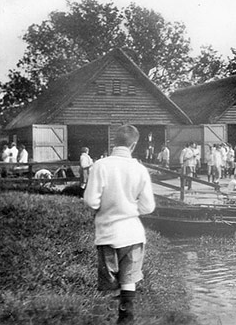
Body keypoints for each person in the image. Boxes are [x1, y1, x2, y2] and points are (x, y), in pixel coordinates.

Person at [83, 124, 156, 324]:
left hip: (107, 231)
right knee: (129, 277)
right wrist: (131, 210)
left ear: (114, 142)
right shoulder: (140, 169)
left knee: (109, 280)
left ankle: (107, 316)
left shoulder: (100, 165)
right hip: (132, 232)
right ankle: (126, 317)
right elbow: (148, 207)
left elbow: (91, 201)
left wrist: (104, 207)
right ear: (134, 145)